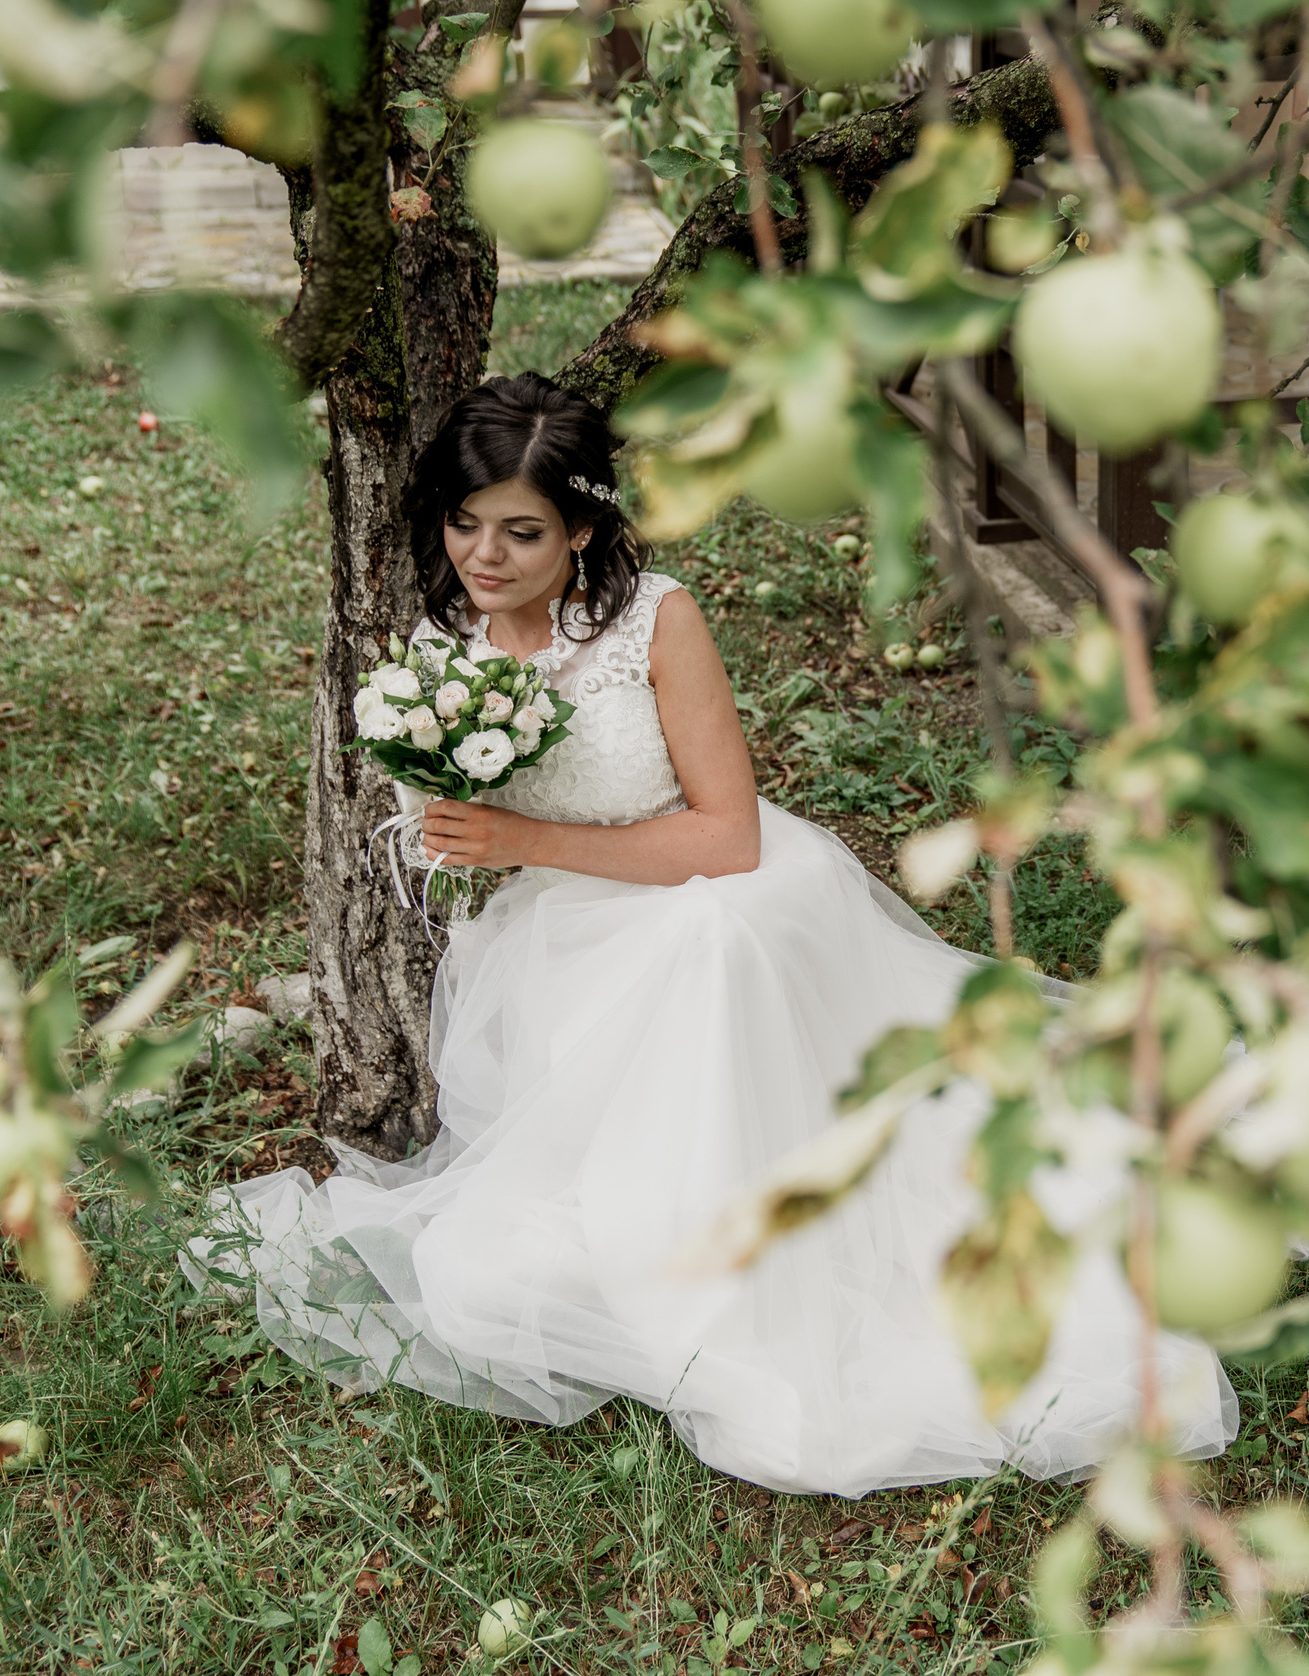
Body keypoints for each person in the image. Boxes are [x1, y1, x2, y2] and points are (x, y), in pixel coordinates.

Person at [178, 373, 1236, 1496]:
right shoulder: (448, 636)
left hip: (721, 891)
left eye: (521, 531)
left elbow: (726, 835)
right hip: (564, 926)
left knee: (705, 946)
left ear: (581, 530)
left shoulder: (655, 620)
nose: (484, 556)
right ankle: (640, 1248)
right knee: (501, 1270)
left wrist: (518, 836)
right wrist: (446, 817)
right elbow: (450, 811)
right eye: (464, 523)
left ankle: (736, 1263)